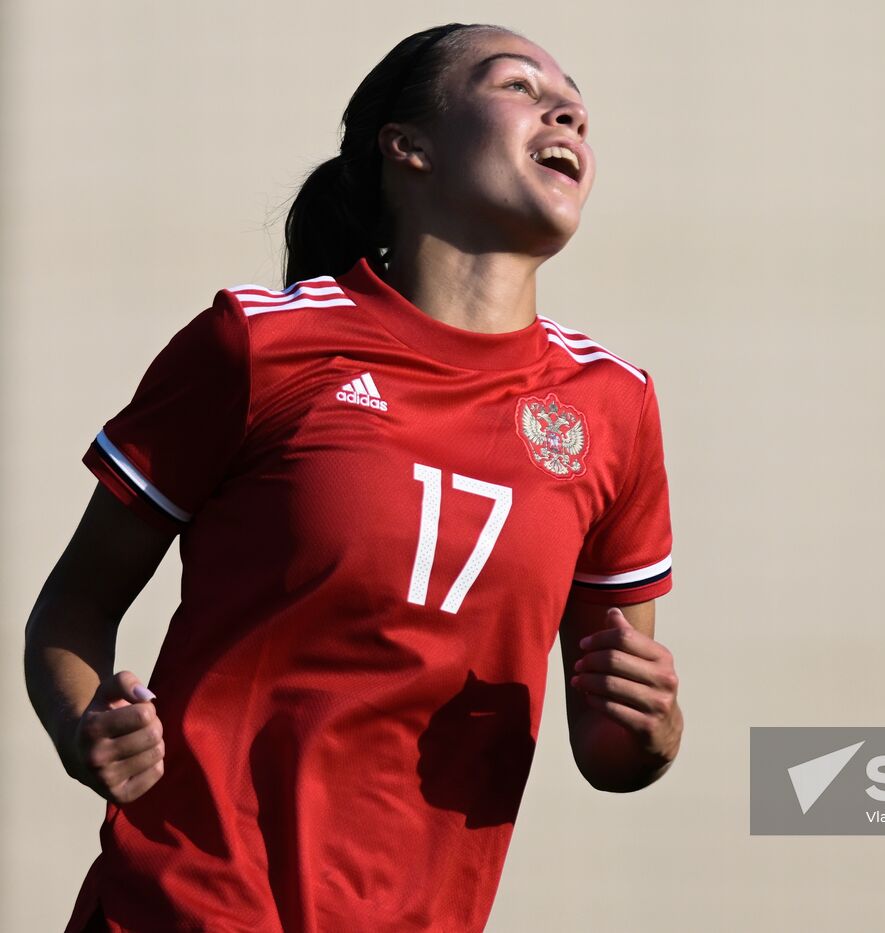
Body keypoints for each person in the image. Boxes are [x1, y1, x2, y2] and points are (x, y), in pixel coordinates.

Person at [24, 23, 682, 932]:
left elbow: (609, 746)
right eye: (518, 86)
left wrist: (651, 732)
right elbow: (71, 608)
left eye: (574, 99)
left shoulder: (615, 405)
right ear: (407, 147)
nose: (565, 107)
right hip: (186, 905)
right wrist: (85, 724)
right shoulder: (257, 343)